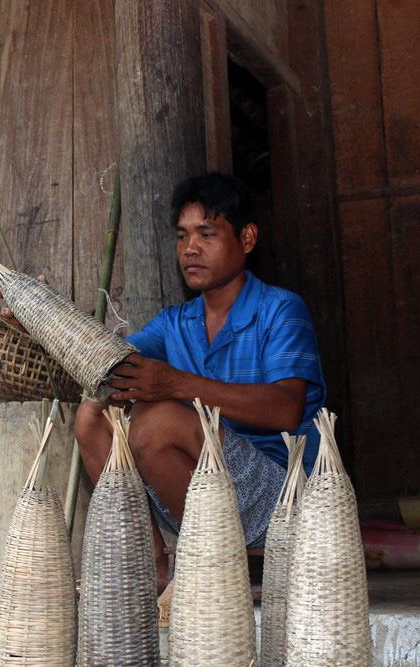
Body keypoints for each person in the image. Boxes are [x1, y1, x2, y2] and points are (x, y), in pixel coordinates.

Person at [70, 172, 326, 588]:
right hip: (197, 491)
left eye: (206, 234)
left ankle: (211, 575)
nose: (190, 248)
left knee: (156, 421)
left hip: (282, 497)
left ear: (246, 238)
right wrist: (35, 321)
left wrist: (176, 383)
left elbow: (286, 408)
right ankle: (154, 570)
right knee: (92, 414)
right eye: (182, 236)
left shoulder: (280, 310)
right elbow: (105, 357)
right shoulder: (174, 323)